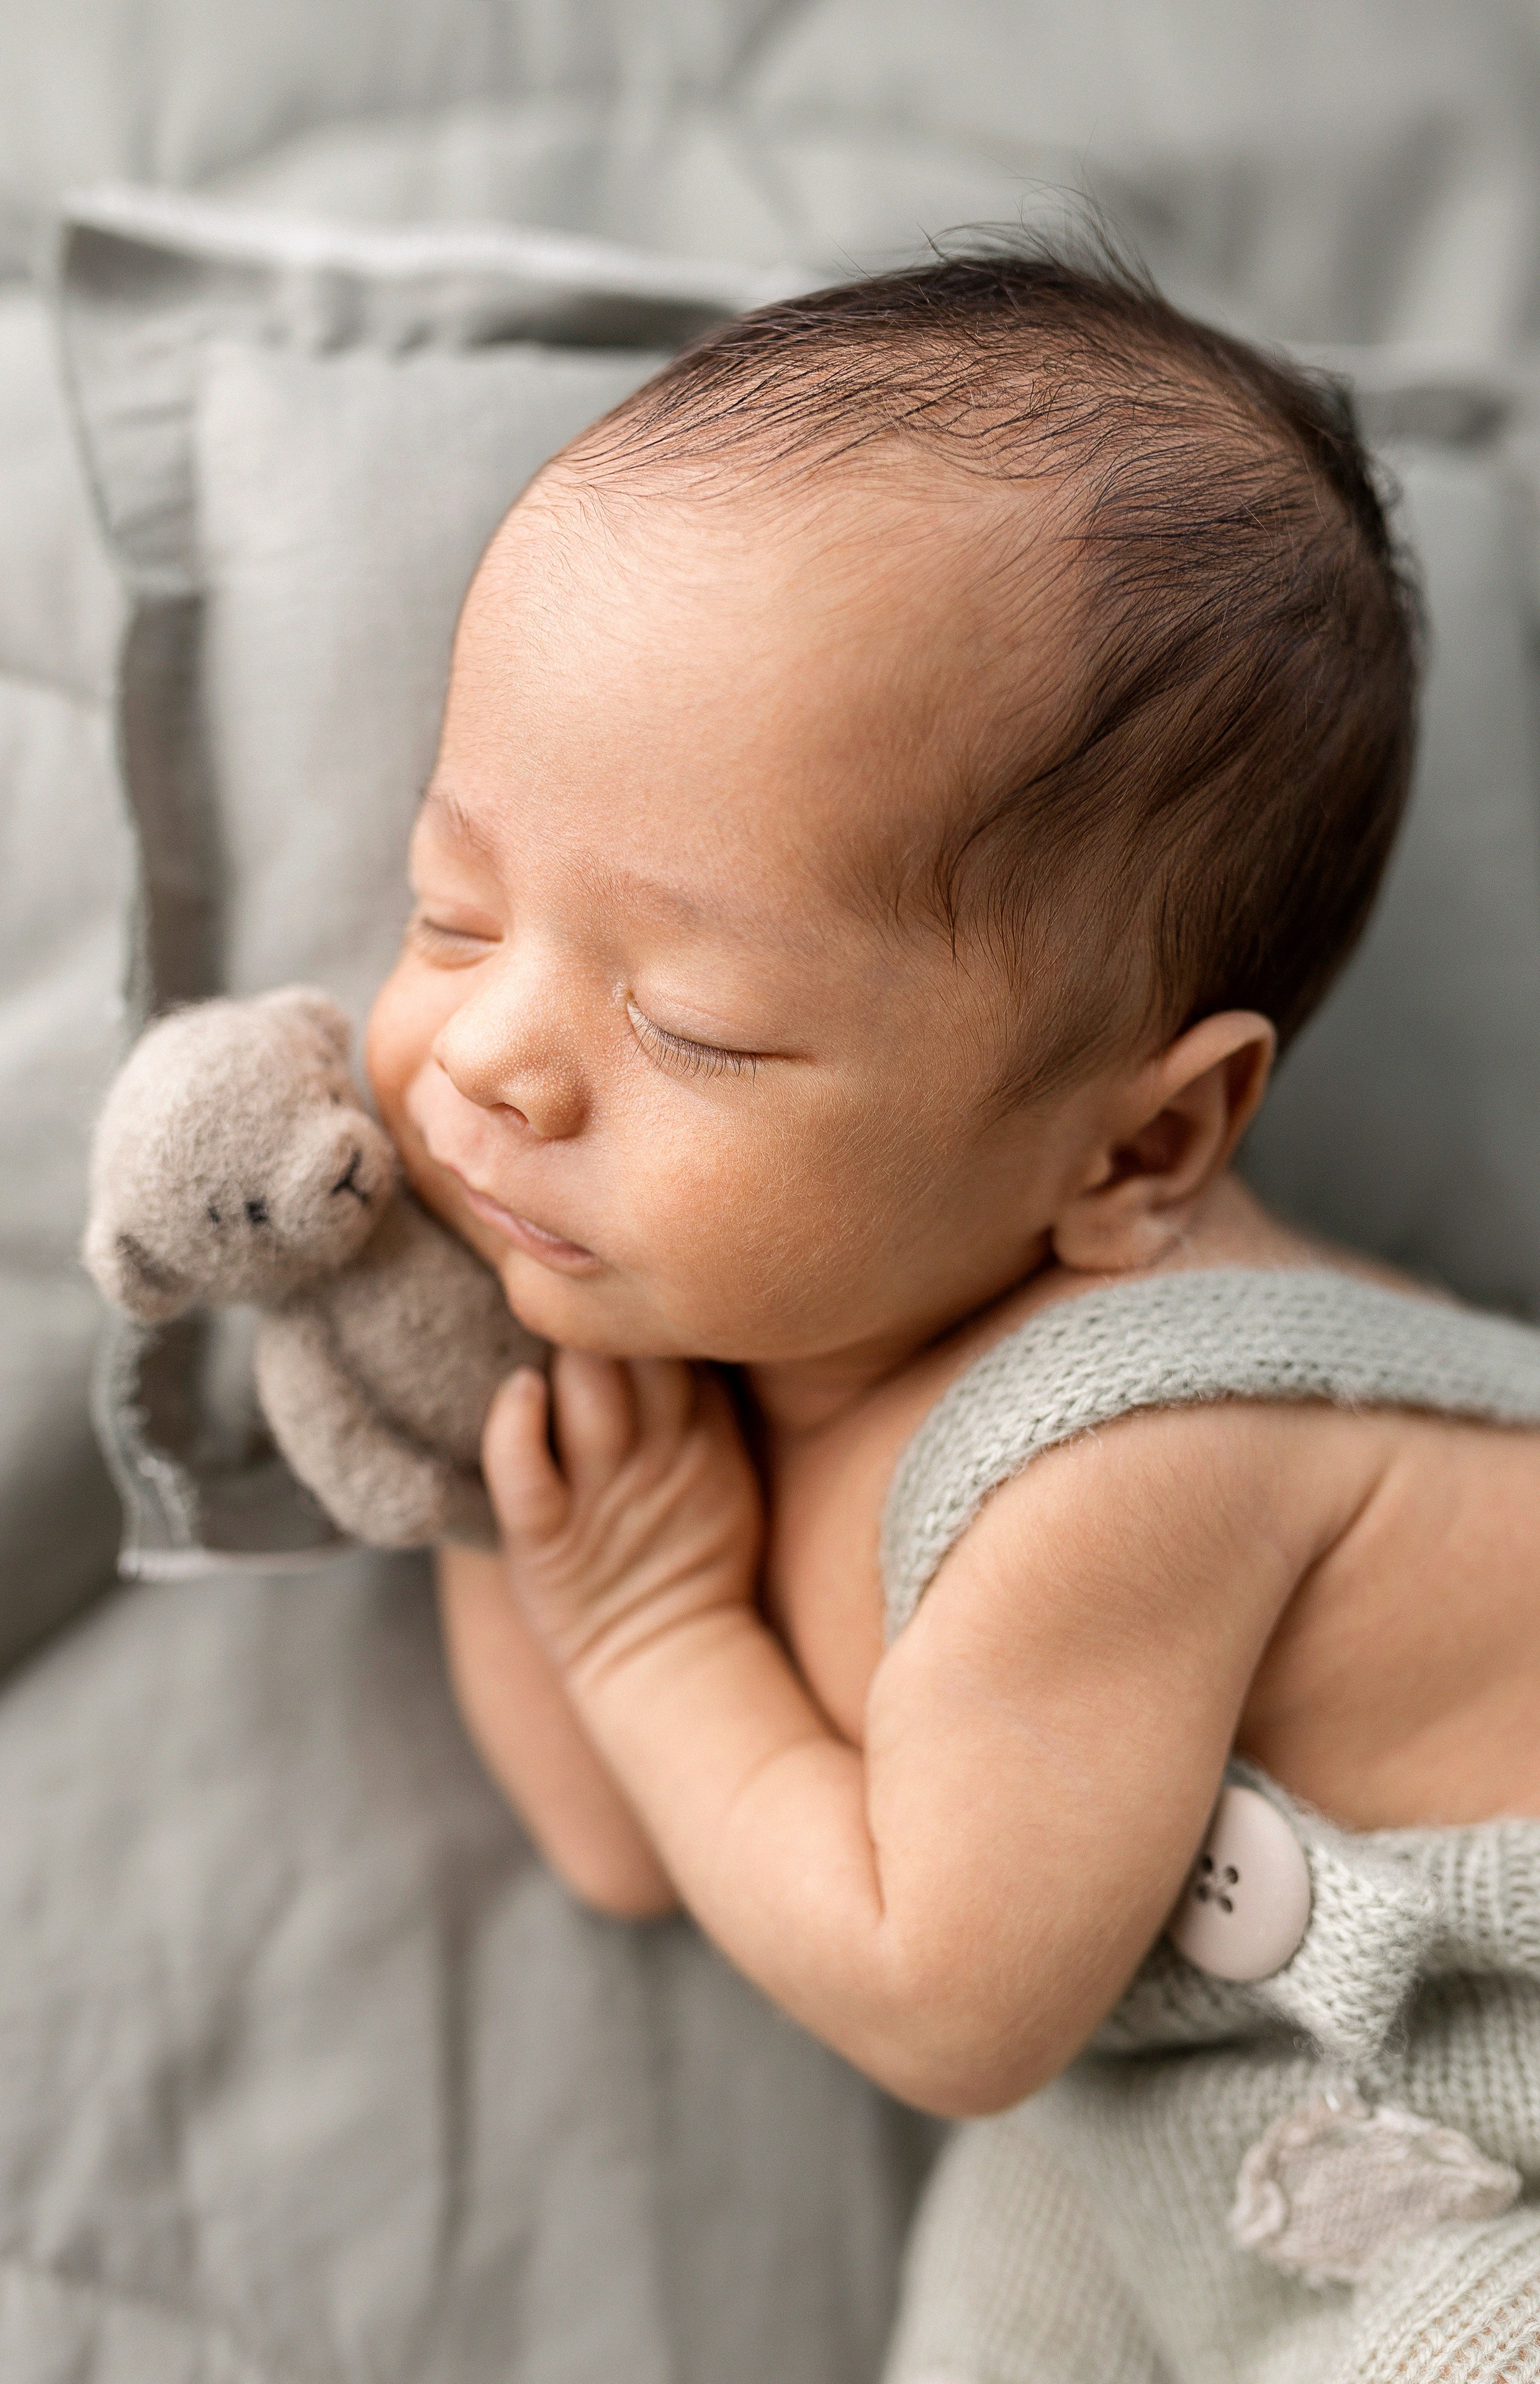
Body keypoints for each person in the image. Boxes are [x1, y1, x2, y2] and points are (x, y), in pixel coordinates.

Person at [364, 245, 1540, 2380]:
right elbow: (643, 1837)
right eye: (453, 909)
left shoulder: (1134, 1455)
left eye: (698, 1026)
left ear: (1132, 1150)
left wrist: (651, 1626)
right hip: (1201, 2144)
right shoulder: (736, 1359)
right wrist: (492, 1463)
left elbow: (939, 1993)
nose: (492, 1056)